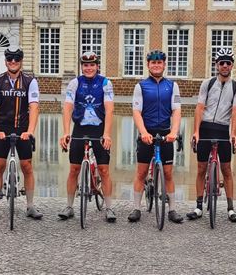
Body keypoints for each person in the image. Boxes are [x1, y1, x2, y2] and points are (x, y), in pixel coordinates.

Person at [0, 46, 43, 220]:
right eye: (10, 59)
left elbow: (34, 107)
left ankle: (30, 206)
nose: (13, 62)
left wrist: (30, 131)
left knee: (27, 166)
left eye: (16, 59)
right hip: (3, 128)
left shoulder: (30, 81)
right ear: (5, 62)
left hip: (23, 129)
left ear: (21, 61)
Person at [58, 51, 116, 222]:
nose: (89, 68)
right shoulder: (75, 83)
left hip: (99, 128)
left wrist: (107, 134)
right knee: (74, 169)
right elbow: (68, 107)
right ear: (82, 66)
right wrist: (66, 132)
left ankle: (109, 207)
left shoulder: (105, 83)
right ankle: (69, 206)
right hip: (80, 128)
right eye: (85, 65)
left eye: (92, 65)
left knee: (104, 170)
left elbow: (110, 108)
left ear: (97, 66)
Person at [186, 48, 236, 222]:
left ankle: (231, 208)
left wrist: (233, 134)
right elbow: (200, 108)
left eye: (228, 63)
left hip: (223, 128)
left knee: (226, 169)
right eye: (221, 63)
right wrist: (196, 131)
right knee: (201, 168)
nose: (225, 66)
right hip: (205, 127)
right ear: (216, 65)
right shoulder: (207, 83)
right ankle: (198, 206)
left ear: (231, 65)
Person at [128, 49, 183, 223]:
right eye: (153, 63)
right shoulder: (141, 86)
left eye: (159, 63)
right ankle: (136, 208)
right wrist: (143, 132)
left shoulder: (172, 85)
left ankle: (172, 209)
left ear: (164, 65)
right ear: (148, 65)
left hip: (166, 133)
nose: (157, 65)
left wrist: (174, 131)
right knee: (141, 172)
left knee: (168, 174)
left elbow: (177, 111)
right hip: (147, 132)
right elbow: (136, 112)